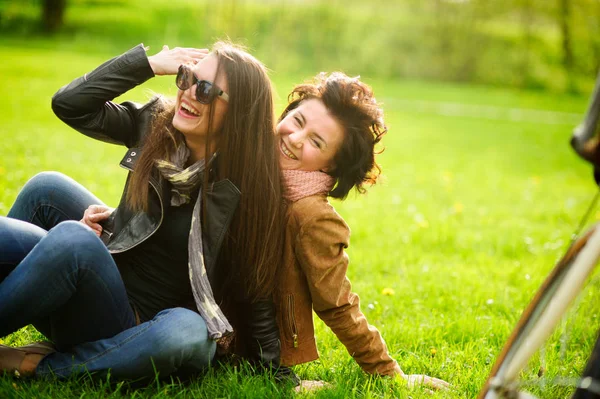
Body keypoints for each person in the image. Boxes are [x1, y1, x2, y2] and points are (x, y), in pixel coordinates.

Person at [0, 42, 291, 382]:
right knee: (46, 190)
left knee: (188, 330)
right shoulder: (157, 124)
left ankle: (41, 364)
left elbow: (256, 286)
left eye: (207, 89)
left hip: (138, 328)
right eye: (187, 77)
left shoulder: (246, 187)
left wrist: (274, 368)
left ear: (239, 111)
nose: (189, 93)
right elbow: (70, 104)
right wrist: (146, 64)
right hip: (101, 280)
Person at [273, 72, 449, 390]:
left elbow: (337, 302)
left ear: (331, 166)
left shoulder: (312, 216)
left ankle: (279, 378)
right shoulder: (248, 160)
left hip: (257, 349)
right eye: (298, 122)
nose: (295, 139)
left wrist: (388, 373)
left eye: (316, 142)